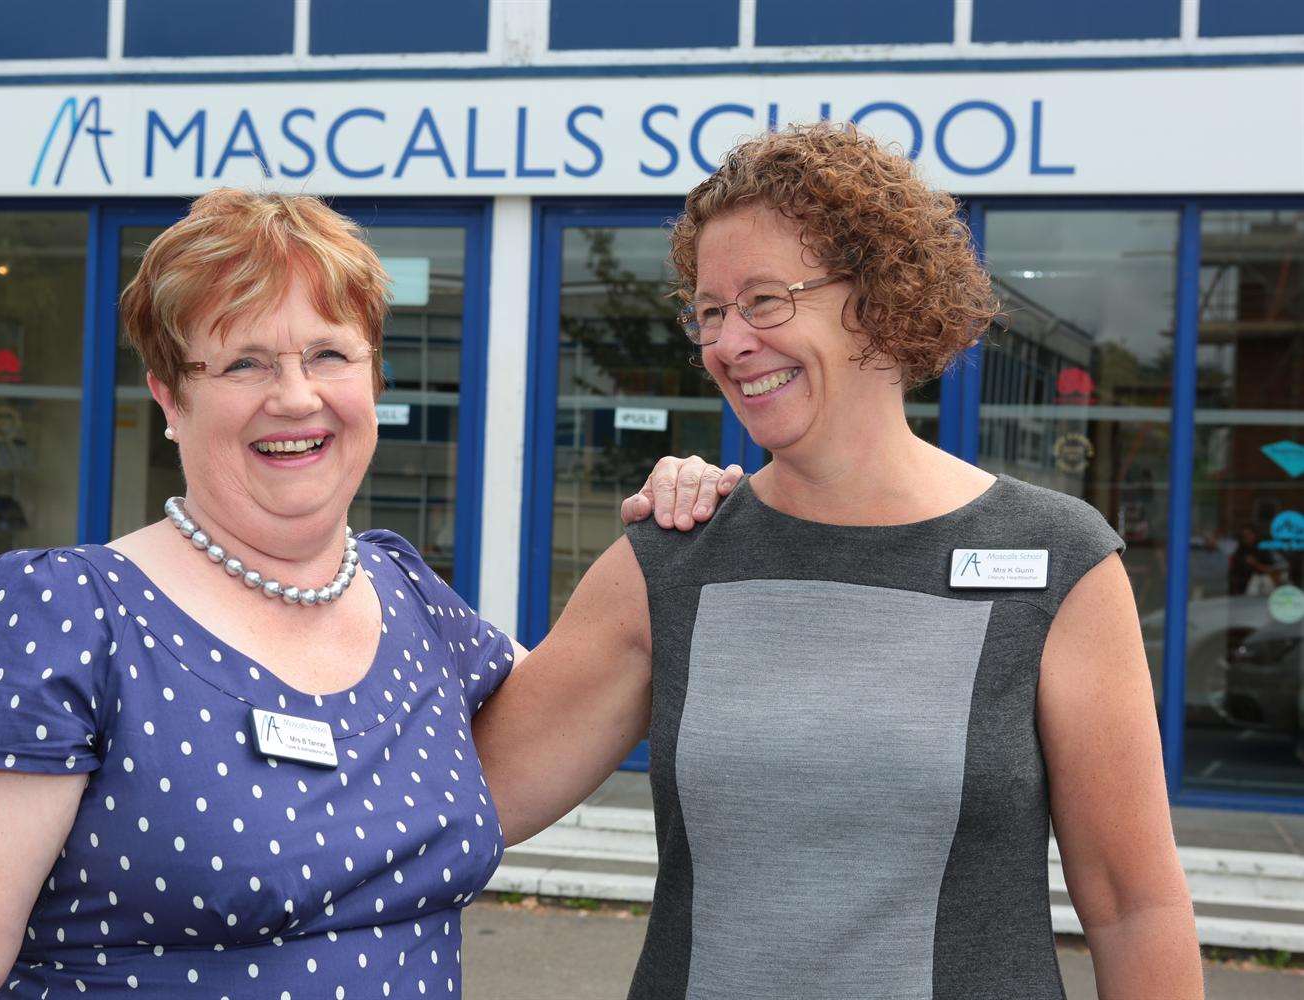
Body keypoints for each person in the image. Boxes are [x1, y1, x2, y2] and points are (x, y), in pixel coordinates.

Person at [0, 189, 736, 999]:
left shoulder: (411, 601)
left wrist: (679, 523)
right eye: (244, 362)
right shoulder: (62, 614)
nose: (295, 396)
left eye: (329, 354)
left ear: (371, 380)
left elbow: (597, 682)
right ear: (171, 397)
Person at [474, 123, 1202, 999]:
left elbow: (1134, 906)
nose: (728, 342)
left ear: (882, 297)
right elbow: (465, 801)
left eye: (766, 301)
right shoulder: (668, 561)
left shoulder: (1056, 561)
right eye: (710, 311)